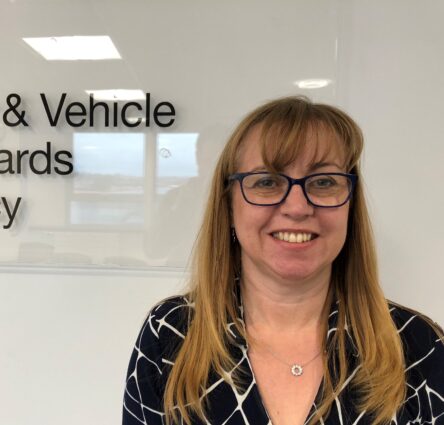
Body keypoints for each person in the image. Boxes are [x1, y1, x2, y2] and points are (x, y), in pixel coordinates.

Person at [122, 96, 444, 425]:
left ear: (351, 204)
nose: (297, 207)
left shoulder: (420, 346)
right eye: (266, 182)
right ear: (230, 205)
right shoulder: (170, 336)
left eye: (323, 182)